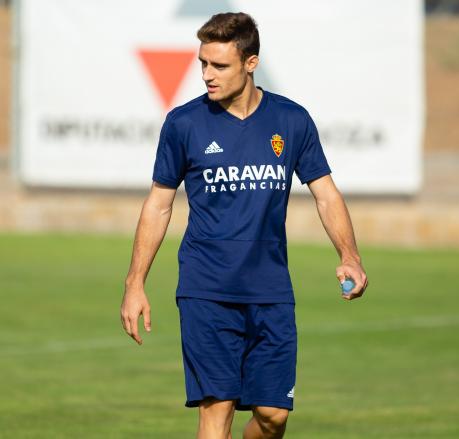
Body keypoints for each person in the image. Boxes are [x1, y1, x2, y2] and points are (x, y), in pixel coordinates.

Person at [120, 12, 368, 439]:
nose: (206, 75)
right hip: (206, 288)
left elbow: (326, 193)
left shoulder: (291, 121)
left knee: (273, 417)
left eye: (219, 66)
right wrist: (135, 282)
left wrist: (349, 255)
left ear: (250, 63)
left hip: (270, 290)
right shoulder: (184, 123)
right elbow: (159, 205)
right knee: (217, 411)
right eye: (202, 63)